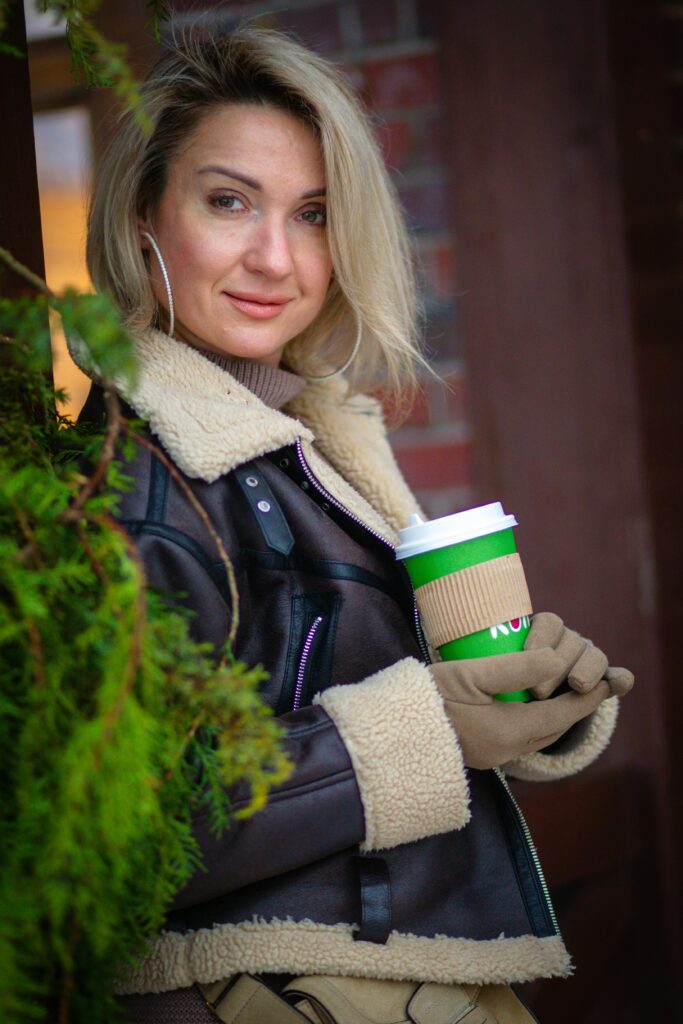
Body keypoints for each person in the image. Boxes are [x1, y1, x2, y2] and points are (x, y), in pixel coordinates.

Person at [78, 26, 634, 1024]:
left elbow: (340, 689)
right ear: (141, 214)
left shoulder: (310, 439)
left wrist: (510, 698)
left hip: (384, 970)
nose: (274, 258)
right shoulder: (139, 479)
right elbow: (122, 837)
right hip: (265, 992)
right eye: (228, 201)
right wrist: (434, 726)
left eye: (314, 213)